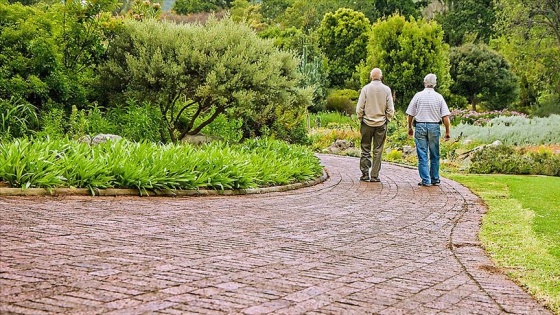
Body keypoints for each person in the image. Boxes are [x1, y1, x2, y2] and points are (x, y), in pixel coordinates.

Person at [405, 73, 451, 186]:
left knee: (422, 154)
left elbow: (410, 114)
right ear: (435, 84)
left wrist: (410, 127)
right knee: (435, 154)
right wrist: (447, 131)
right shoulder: (439, 97)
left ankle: (426, 180)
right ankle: (435, 178)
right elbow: (445, 117)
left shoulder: (418, 96)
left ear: (424, 82)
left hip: (420, 125)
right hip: (434, 126)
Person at [356, 68, 395, 182]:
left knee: (365, 148)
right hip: (381, 123)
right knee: (378, 150)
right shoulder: (386, 90)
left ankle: (364, 174)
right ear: (381, 76)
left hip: (367, 122)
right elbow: (390, 108)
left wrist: (360, 118)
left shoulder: (366, 89)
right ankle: (374, 175)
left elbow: (359, 107)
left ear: (371, 76)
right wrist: (387, 119)